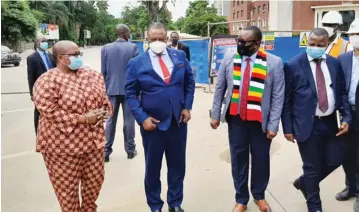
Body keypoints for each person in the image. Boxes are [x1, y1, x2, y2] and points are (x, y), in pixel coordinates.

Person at [210, 25, 285, 212]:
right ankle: (241, 198)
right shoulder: (230, 58)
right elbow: (220, 88)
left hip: (261, 122)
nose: (240, 44)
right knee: (238, 160)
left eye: (244, 42)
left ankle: (259, 195)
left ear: (257, 44)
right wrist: (215, 114)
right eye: (238, 40)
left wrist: (274, 125)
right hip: (236, 120)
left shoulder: (274, 62)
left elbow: (278, 96)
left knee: (261, 160)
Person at [33, 40, 112, 212]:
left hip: (93, 144)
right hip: (62, 149)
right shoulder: (47, 81)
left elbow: (105, 100)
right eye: (75, 54)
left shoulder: (92, 75)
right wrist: (83, 119)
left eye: (79, 54)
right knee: (68, 196)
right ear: (61, 58)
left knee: (94, 186)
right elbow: (49, 111)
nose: (79, 57)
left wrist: (103, 112)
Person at [125, 22, 195, 212]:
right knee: (153, 169)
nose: (157, 42)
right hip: (153, 125)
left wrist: (187, 107)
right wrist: (142, 118)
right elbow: (130, 93)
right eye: (153, 39)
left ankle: (175, 203)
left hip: (177, 123)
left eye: (160, 38)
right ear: (147, 39)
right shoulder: (136, 63)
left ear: (167, 38)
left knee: (177, 167)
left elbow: (189, 82)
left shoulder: (179, 56)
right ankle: (155, 205)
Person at [281, 28, 351, 212]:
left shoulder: (335, 64)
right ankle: (314, 206)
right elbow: (286, 100)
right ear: (307, 42)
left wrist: (347, 118)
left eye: (320, 45)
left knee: (337, 158)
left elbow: (342, 93)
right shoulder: (294, 65)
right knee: (311, 167)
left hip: (330, 122)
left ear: (327, 44)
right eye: (312, 44)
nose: (316, 47)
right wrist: (287, 128)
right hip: (306, 124)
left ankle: (305, 183)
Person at [101, 24, 139, 162]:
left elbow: (104, 72)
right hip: (129, 90)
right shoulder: (133, 47)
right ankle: (130, 150)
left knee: (110, 120)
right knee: (129, 120)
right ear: (125, 33)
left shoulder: (106, 48)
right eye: (129, 32)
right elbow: (137, 71)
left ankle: (105, 151)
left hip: (111, 89)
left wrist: (104, 90)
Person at [336, 18, 359, 212]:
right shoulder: (343, 58)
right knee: (347, 154)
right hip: (347, 113)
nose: (356, 38)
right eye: (354, 34)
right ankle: (350, 187)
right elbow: (340, 88)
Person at [27, 35, 55, 134]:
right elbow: (31, 76)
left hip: (53, 88)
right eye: (43, 41)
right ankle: (38, 134)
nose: (45, 43)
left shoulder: (51, 56)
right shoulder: (32, 58)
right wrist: (32, 93)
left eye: (46, 41)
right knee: (38, 111)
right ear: (38, 43)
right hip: (40, 89)